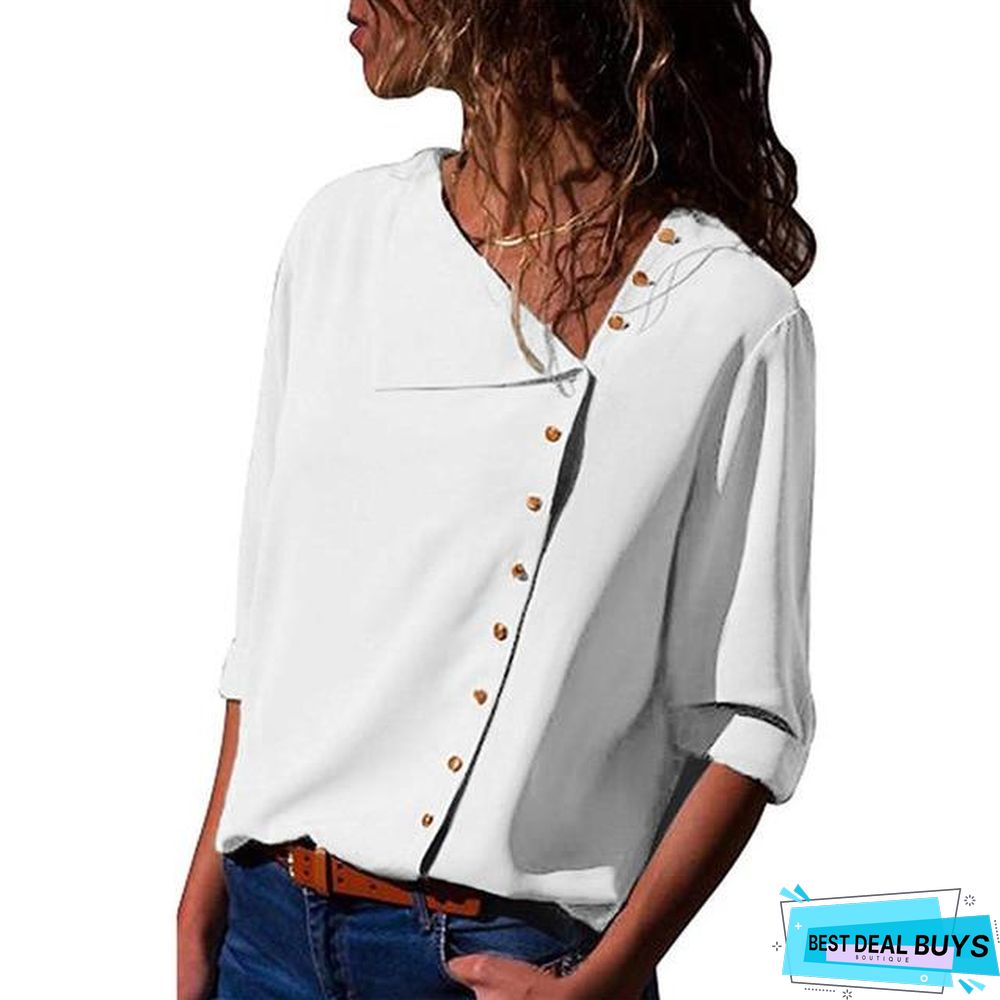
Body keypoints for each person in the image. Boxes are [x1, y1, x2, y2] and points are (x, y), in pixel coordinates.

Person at [177, 2, 818, 998]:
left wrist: (607, 978)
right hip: (262, 935)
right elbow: (269, 624)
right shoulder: (341, 236)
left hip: (505, 962)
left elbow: (749, 715)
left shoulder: (725, 313)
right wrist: (201, 889)